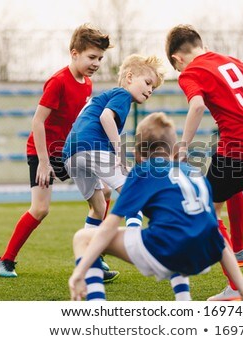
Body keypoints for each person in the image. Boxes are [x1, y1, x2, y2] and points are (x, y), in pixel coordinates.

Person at [68, 112, 243, 301]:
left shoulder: (143, 171)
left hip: (165, 250)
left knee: (83, 238)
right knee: (179, 230)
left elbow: (109, 225)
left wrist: (81, 270)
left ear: (137, 154)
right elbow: (215, 234)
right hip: (202, 254)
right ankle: (185, 302)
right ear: (175, 151)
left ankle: (95, 307)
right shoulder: (196, 173)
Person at [0, 24, 118, 281]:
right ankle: (5, 261)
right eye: (91, 57)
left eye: (100, 59)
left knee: (103, 196)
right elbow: (38, 122)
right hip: (43, 153)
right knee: (40, 209)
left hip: (70, 151)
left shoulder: (87, 83)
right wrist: (43, 162)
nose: (96, 63)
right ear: (74, 53)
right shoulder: (58, 81)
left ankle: (93, 258)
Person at [165, 24, 243, 300]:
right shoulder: (229, 61)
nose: (181, 74)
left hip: (238, 144)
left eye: (177, 68)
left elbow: (197, 106)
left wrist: (183, 145)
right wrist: (242, 102)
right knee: (225, 191)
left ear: (178, 59)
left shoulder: (191, 72)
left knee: (205, 208)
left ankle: (235, 287)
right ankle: (237, 250)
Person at [63, 54, 169, 299]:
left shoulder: (106, 94)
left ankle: (90, 262)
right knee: (134, 190)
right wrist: (119, 151)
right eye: (148, 82)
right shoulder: (122, 95)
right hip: (92, 147)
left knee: (100, 203)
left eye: (153, 87)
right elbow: (105, 118)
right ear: (130, 77)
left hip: (71, 152)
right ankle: (137, 246)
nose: (150, 90)